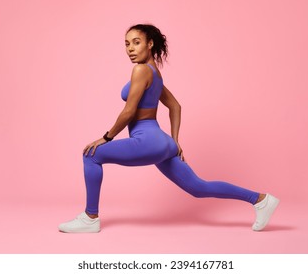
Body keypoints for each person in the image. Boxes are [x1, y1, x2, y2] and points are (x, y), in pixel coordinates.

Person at [58, 24, 279, 233]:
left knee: (91, 155)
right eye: (127, 44)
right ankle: (260, 200)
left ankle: (90, 218)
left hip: (148, 140)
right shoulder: (155, 74)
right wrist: (175, 141)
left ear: (150, 44)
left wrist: (105, 138)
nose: (130, 49)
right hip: (162, 142)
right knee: (199, 188)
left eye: (136, 42)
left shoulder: (141, 70)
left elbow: (128, 111)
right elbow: (175, 105)